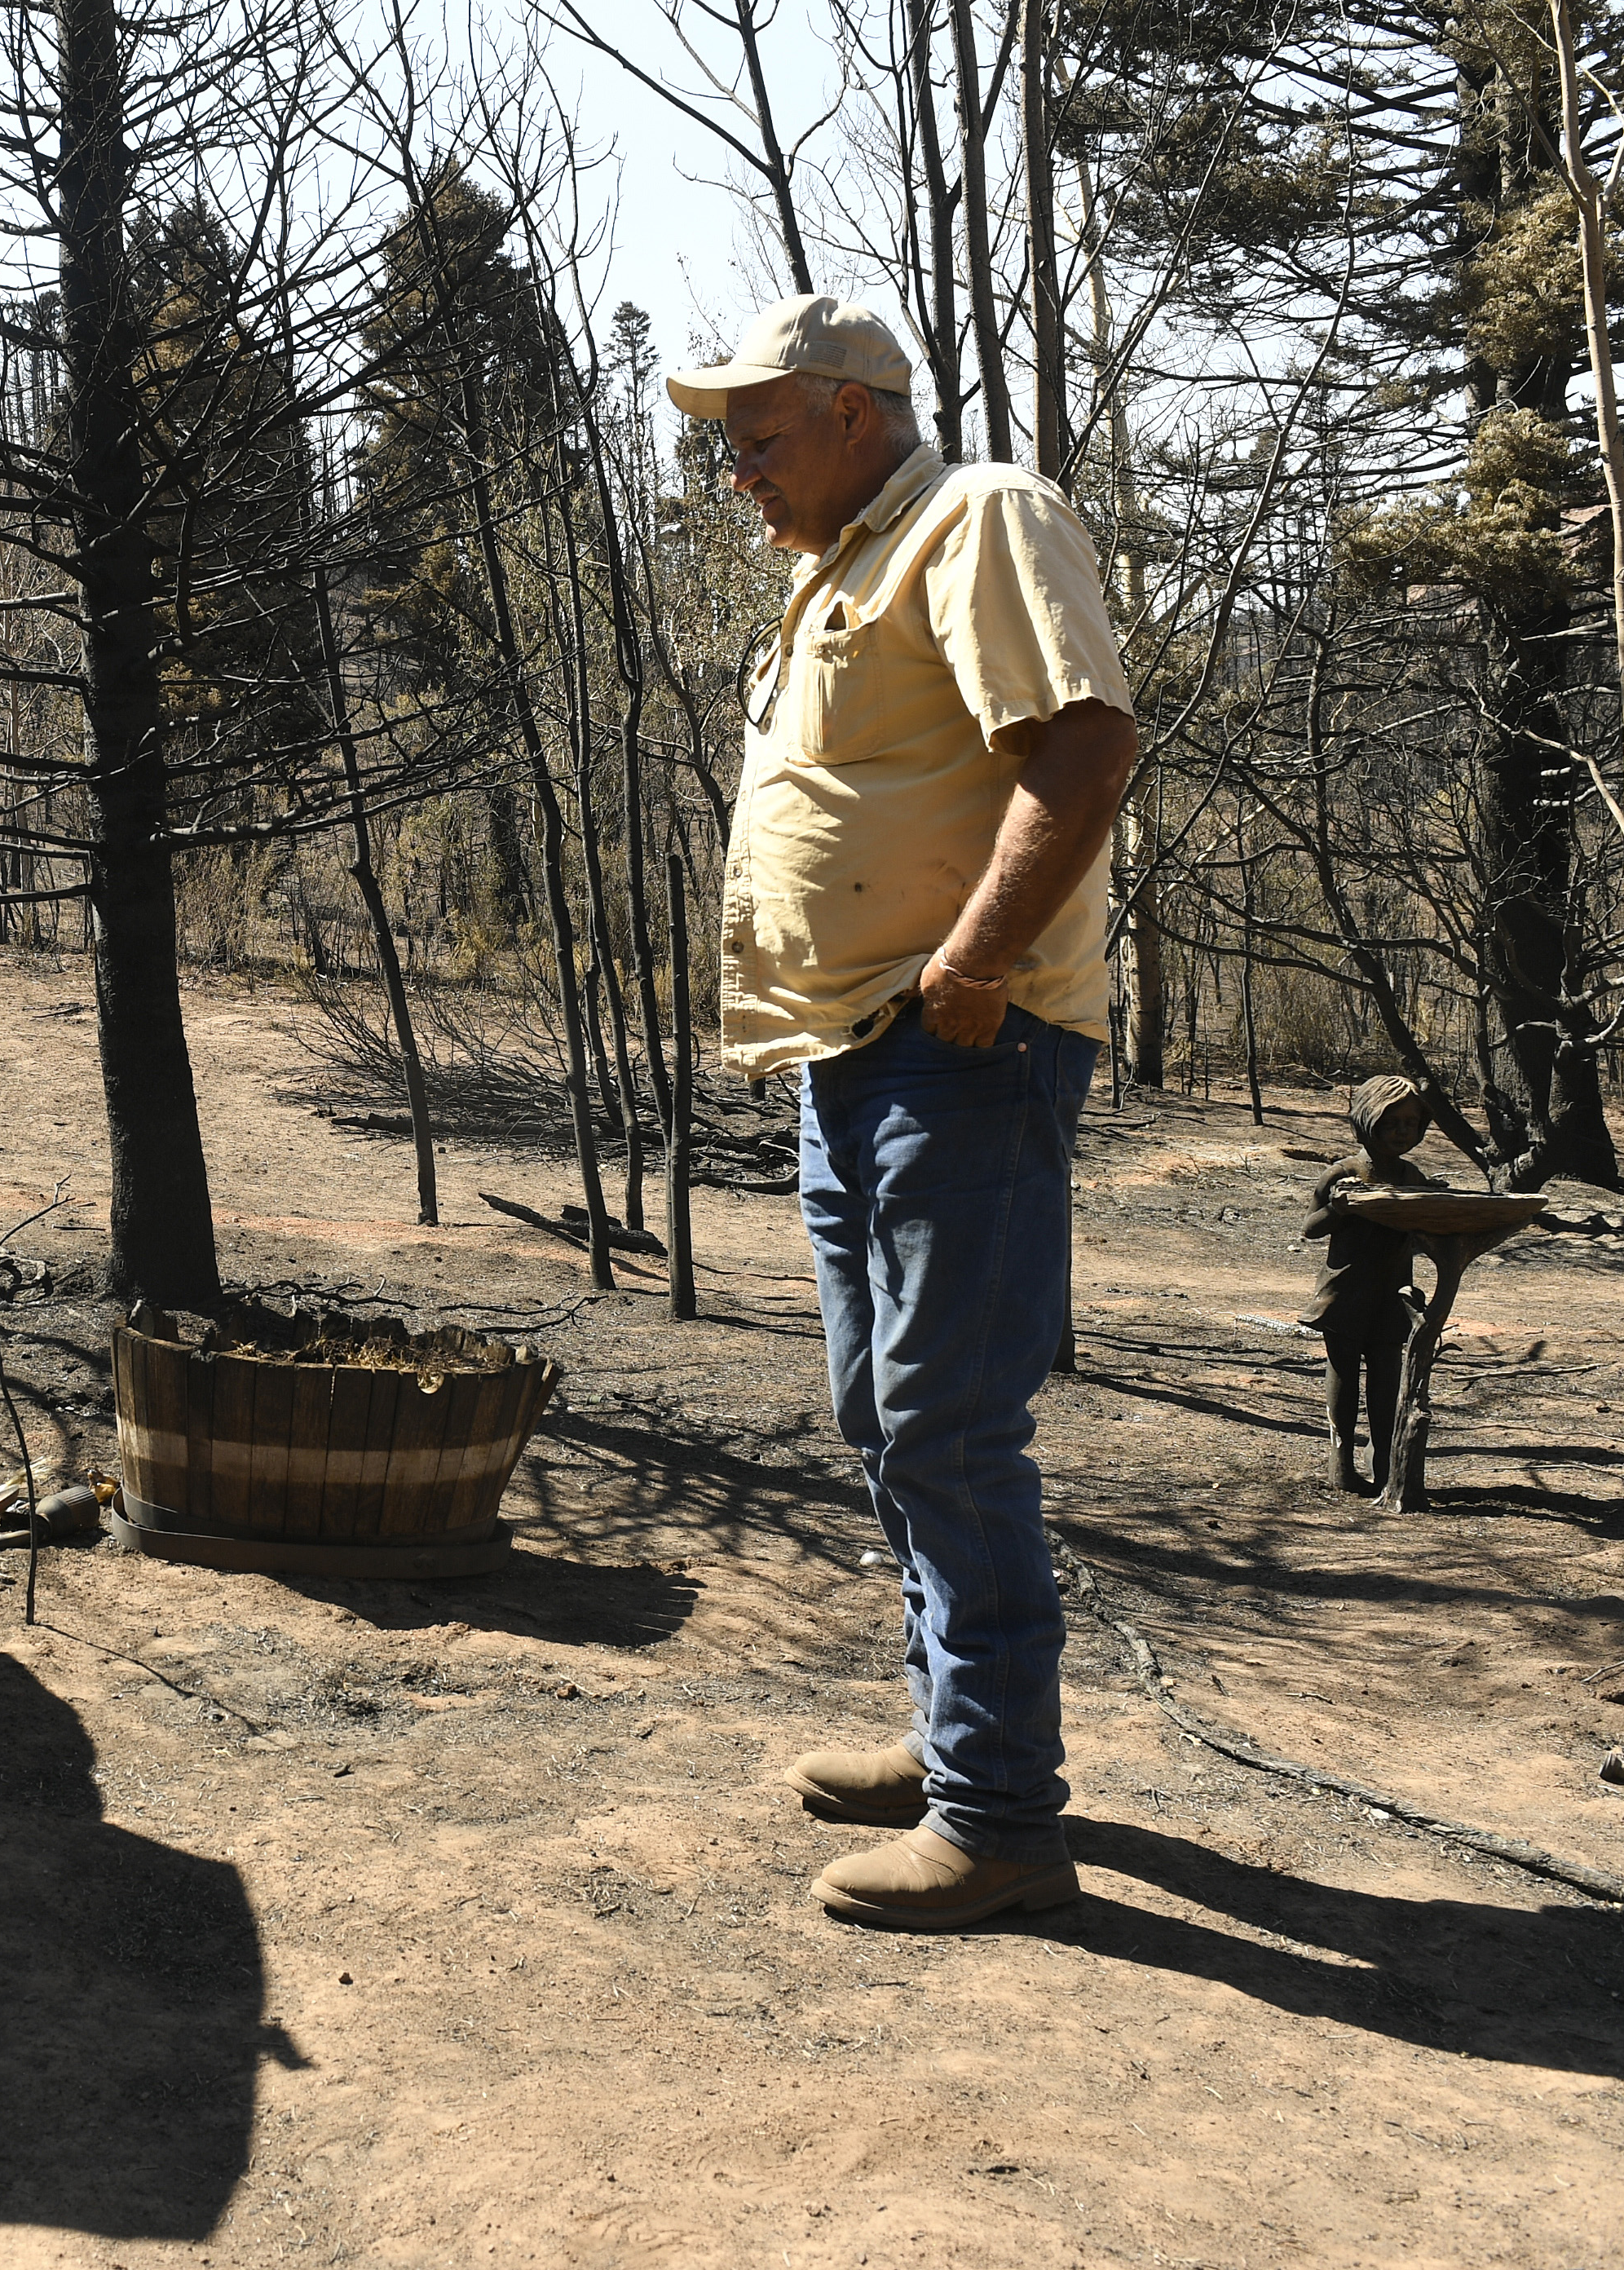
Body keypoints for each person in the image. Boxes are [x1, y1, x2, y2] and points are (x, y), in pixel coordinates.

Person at [669, 295, 1138, 1931]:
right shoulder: (837, 574)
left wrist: (973, 971)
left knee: (947, 1421)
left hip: (960, 1048)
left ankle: (1001, 1816)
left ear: (856, 411)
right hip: (851, 1058)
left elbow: (1084, 746)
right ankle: (966, 1740)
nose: (735, 468)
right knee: (888, 1417)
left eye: (760, 434)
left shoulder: (978, 518)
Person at [1301, 1075, 1441, 1495]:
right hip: (1345, 1293)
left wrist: (1432, 1205)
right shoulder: (1343, 1172)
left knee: (1386, 1382)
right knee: (1343, 1377)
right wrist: (1341, 1208)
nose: (1403, 1132)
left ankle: (1384, 1462)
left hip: (1393, 1295)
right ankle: (1340, 1461)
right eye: (1392, 1122)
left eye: (1412, 1124)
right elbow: (1310, 1228)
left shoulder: (1411, 1175)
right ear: (1367, 1121)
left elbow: (1422, 1232)